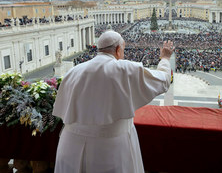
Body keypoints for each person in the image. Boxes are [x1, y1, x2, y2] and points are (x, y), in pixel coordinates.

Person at [52, 30, 174, 173]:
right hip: (108, 149)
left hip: (70, 146)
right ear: (118, 50)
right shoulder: (124, 68)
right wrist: (165, 58)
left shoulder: (73, 72)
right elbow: (163, 80)